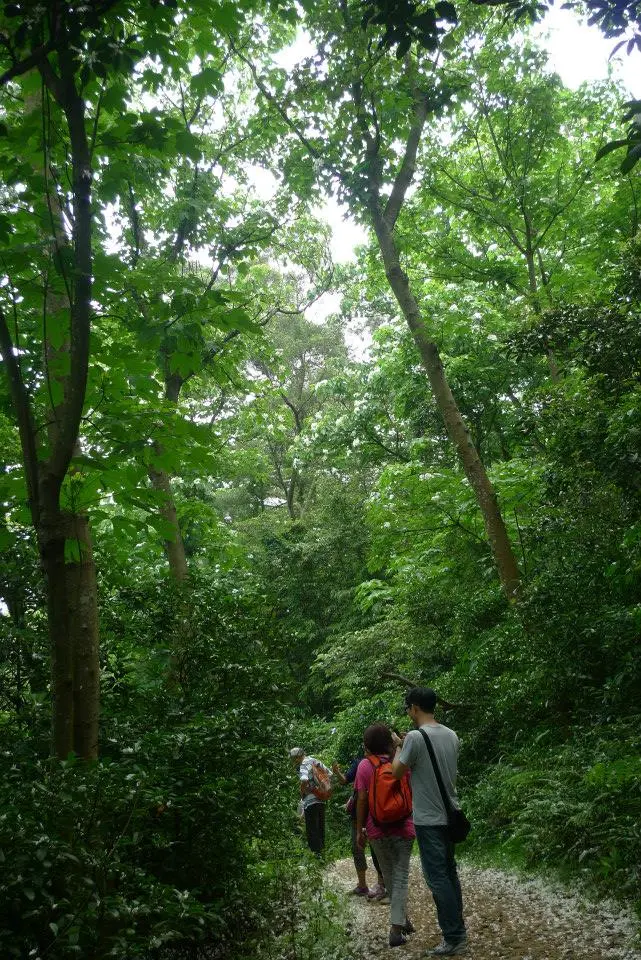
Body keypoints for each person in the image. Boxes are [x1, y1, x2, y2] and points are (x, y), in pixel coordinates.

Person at [391, 687, 467, 957]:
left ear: (414, 708)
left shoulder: (414, 737)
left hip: (428, 818)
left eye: (407, 708)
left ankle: (454, 936)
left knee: (437, 879)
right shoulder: (451, 735)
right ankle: (458, 929)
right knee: (450, 873)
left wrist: (399, 745)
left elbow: (396, 771)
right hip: (451, 814)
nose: (408, 713)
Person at [354, 723, 415, 948]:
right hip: (403, 826)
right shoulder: (400, 761)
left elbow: (361, 799)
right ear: (389, 743)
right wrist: (400, 745)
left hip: (376, 828)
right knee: (399, 876)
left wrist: (361, 829)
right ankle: (397, 928)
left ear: (368, 745)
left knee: (390, 876)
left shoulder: (364, 766)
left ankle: (401, 921)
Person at [333, 757, 386, 899]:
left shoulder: (386, 761)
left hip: (376, 811)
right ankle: (363, 885)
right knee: (358, 847)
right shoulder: (359, 762)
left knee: (376, 848)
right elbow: (345, 780)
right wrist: (337, 772)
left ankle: (381, 884)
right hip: (363, 810)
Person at [289, 747, 330, 855]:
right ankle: (323, 854)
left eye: (295, 759)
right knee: (320, 828)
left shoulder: (304, 764)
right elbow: (329, 773)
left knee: (312, 830)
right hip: (321, 798)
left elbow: (304, 779)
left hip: (311, 801)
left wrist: (302, 790)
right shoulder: (314, 760)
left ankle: (317, 856)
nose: (295, 761)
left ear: (298, 757)